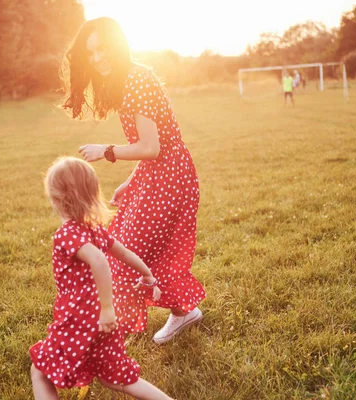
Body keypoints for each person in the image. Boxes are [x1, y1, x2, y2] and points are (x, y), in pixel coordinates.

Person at [60, 17, 205, 344]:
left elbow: (152, 147)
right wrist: (134, 180)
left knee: (126, 253)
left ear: (118, 44)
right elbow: (155, 147)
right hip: (160, 174)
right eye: (91, 53)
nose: (97, 59)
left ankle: (113, 333)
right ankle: (183, 312)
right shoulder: (128, 79)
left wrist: (106, 150)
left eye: (102, 49)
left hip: (171, 177)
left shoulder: (136, 79)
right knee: (125, 248)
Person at [29, 157, 172, 400]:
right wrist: (147, 274)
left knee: (40, 369)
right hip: (103, 317)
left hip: (80, 317)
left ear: (57, 199)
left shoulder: (68, 234)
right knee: (113, 376)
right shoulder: (94, 230)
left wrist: (106, 308)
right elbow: (124, 253)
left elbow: (99, 261)